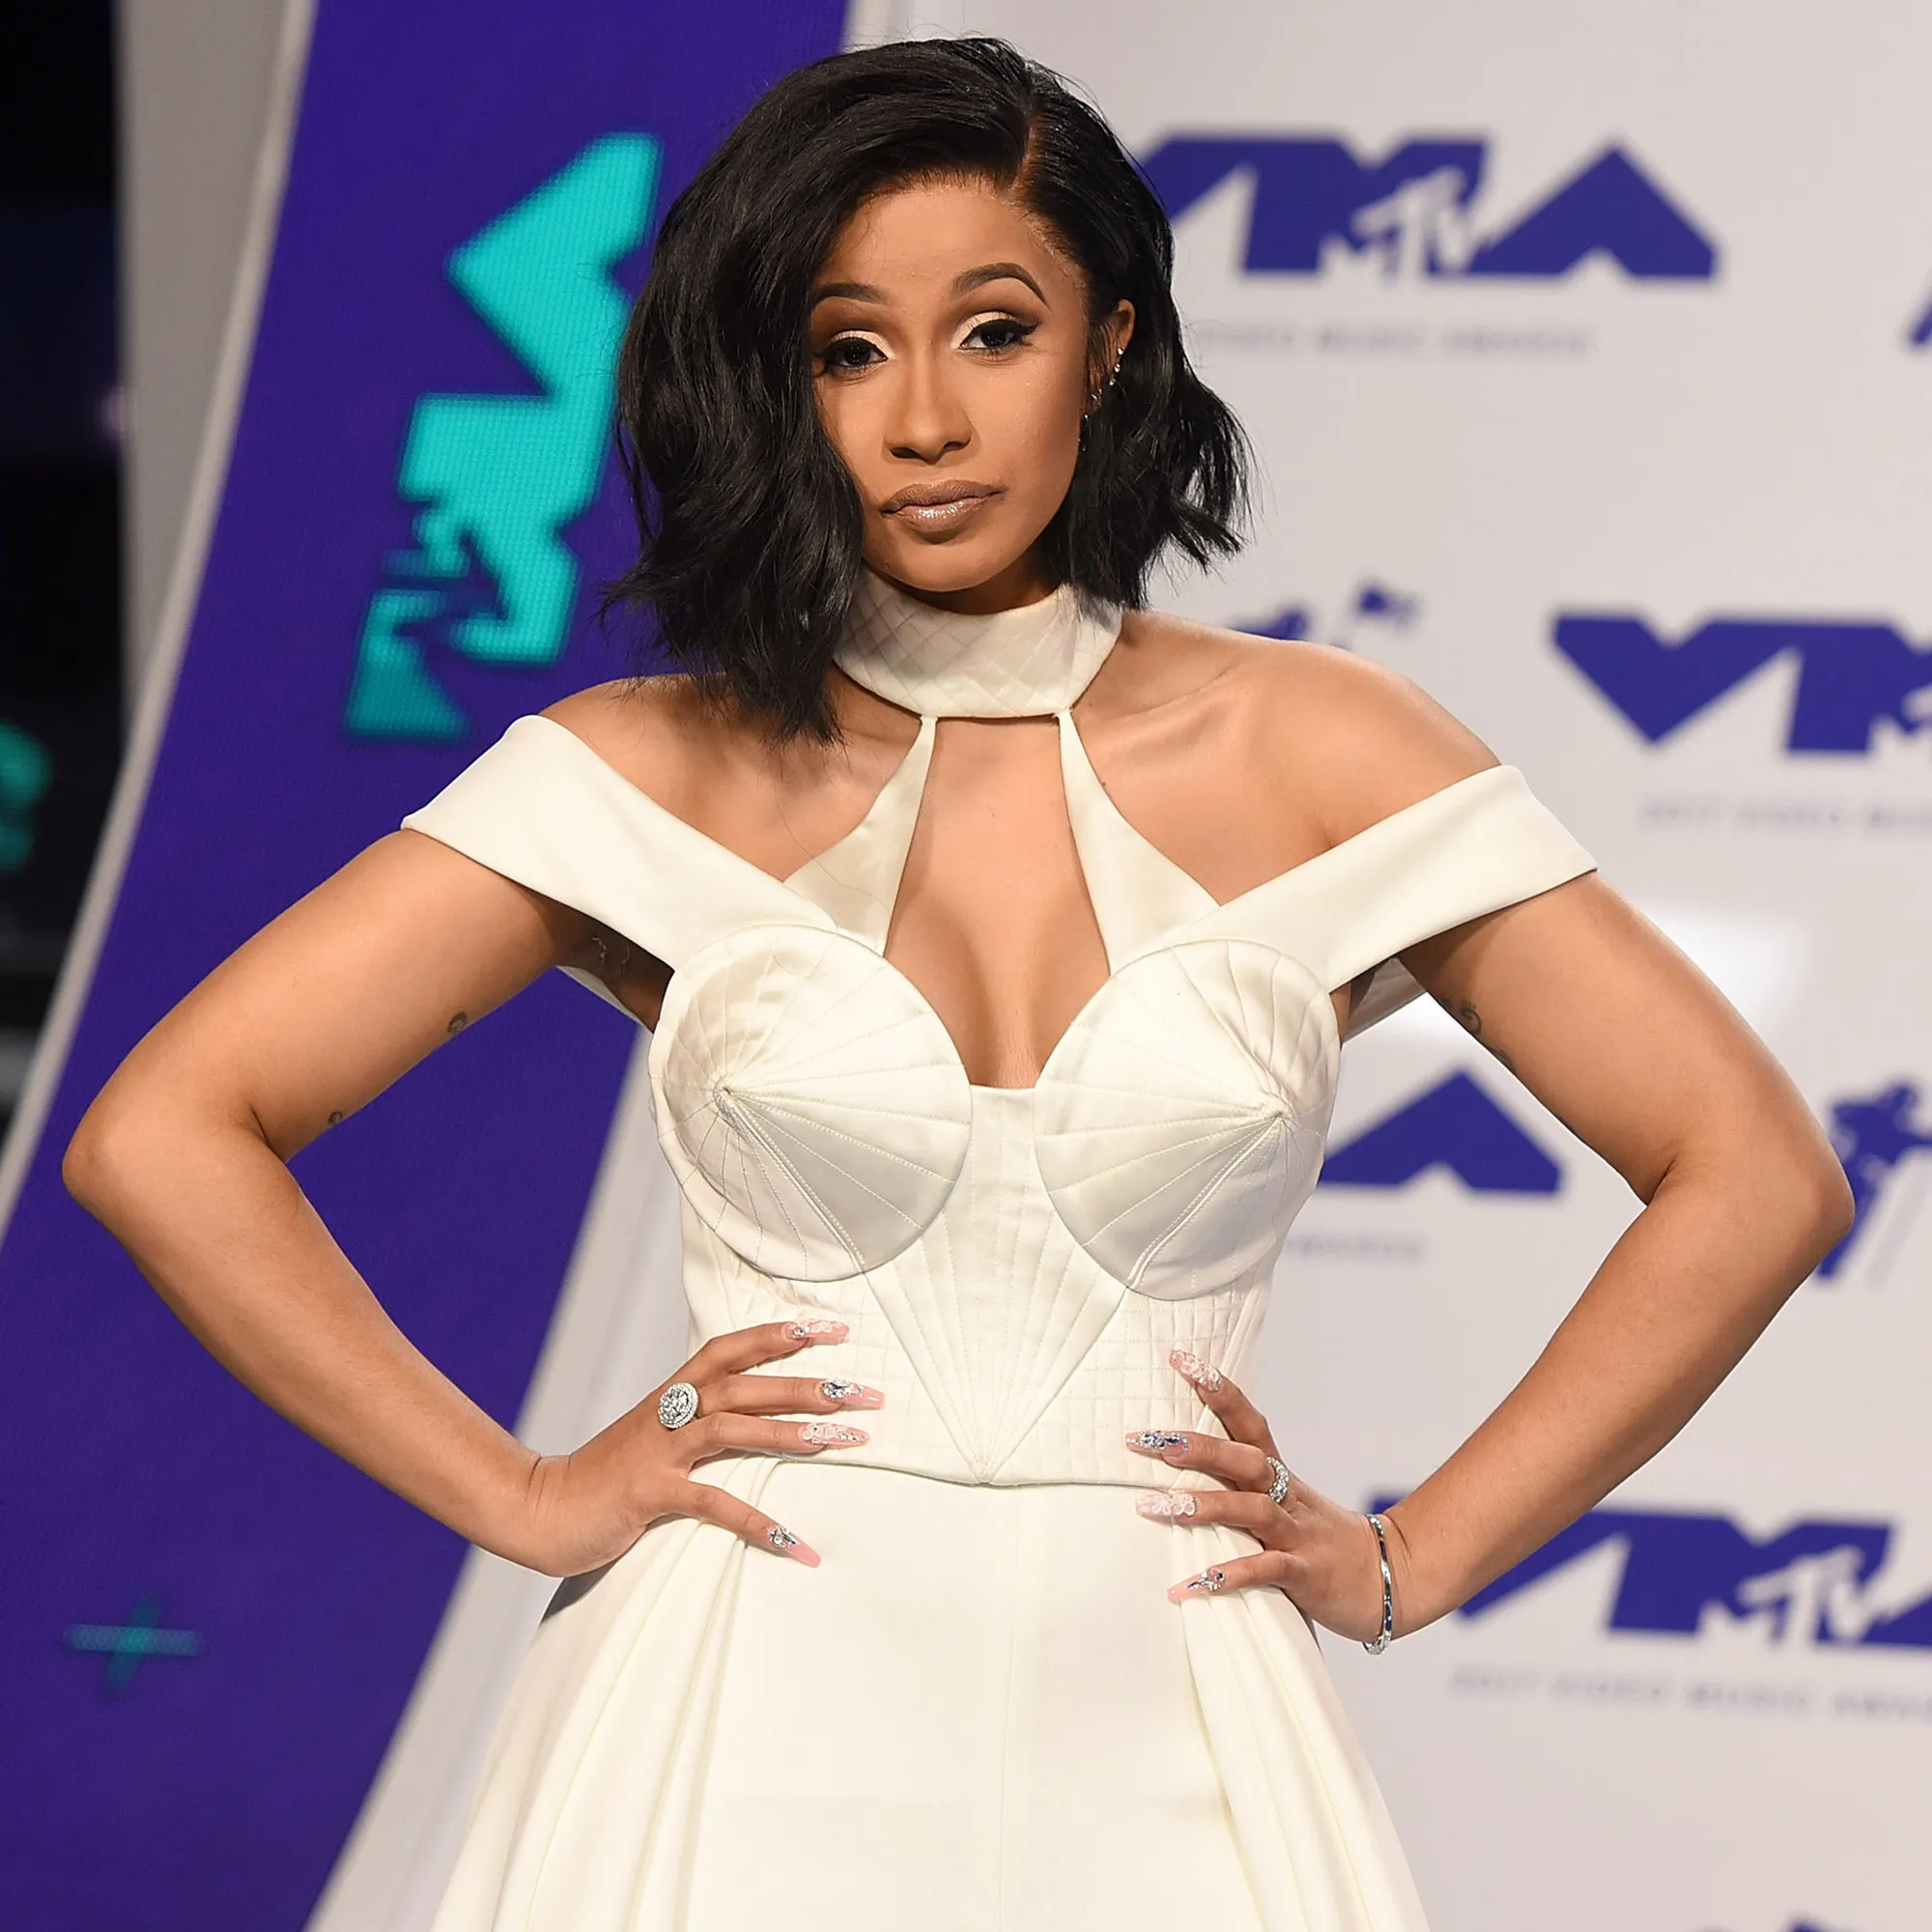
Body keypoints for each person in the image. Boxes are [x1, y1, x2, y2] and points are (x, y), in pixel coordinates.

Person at [63, 37, 1852, 1932]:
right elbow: (167, 1132)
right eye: (849, 347)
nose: (921, 416)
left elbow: (1751, 1174)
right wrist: (515, 1493)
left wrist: (1416, 1556)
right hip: (735, 1688)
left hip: (1171, 1698)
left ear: (1111, 342)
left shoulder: (1335, 748)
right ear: (778, 383)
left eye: (990, 331)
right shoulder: (646, 766)